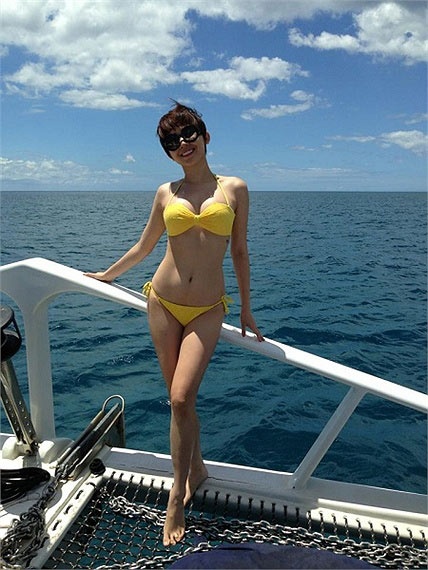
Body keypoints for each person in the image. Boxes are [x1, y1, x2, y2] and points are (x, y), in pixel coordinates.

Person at [85, 102, 263, 546]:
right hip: (163, 302)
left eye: (188, 134)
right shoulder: (166, 192)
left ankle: (175, 498)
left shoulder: (235, 188)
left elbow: (239, 251)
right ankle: (195, 469)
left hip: (207, 308)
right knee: (179, 403)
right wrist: (107, 274)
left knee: (182, 397)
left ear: (205, 136)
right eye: (171, 140)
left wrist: (246, 307)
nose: (182, 144)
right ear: (167, 151)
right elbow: (145, 246)